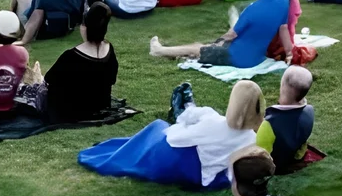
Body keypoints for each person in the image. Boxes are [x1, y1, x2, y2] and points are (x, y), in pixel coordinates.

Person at [78, 80, 265, 189]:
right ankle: (186, 108)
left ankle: (112, 152)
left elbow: (176, 138)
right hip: (201, 174)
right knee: (160, 133)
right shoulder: (252, 139)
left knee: (157, 128)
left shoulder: (213, 123)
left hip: (176, 164)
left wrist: (180, 124)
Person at [149, 0, 292, 71]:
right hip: (256, 57)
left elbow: (232, 34)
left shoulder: (252, 9)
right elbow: (283, 29)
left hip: (238, 58)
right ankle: (233, 20)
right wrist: (290, 53)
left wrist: (217, 42)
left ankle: (159, 51)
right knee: (225, 34)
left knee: (198, 48)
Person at [41, 2, 119, 122]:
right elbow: (112, 79)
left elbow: (48, 79)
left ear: (85, 27)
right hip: (101, 106)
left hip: (72, 111)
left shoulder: (70, 56)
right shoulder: (109, 50)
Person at [256, 66, 315, 172]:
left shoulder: (270, 124)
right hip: (295, 155)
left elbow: (260, 157)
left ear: (282, 85)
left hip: (276, 165)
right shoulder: (310, 111)